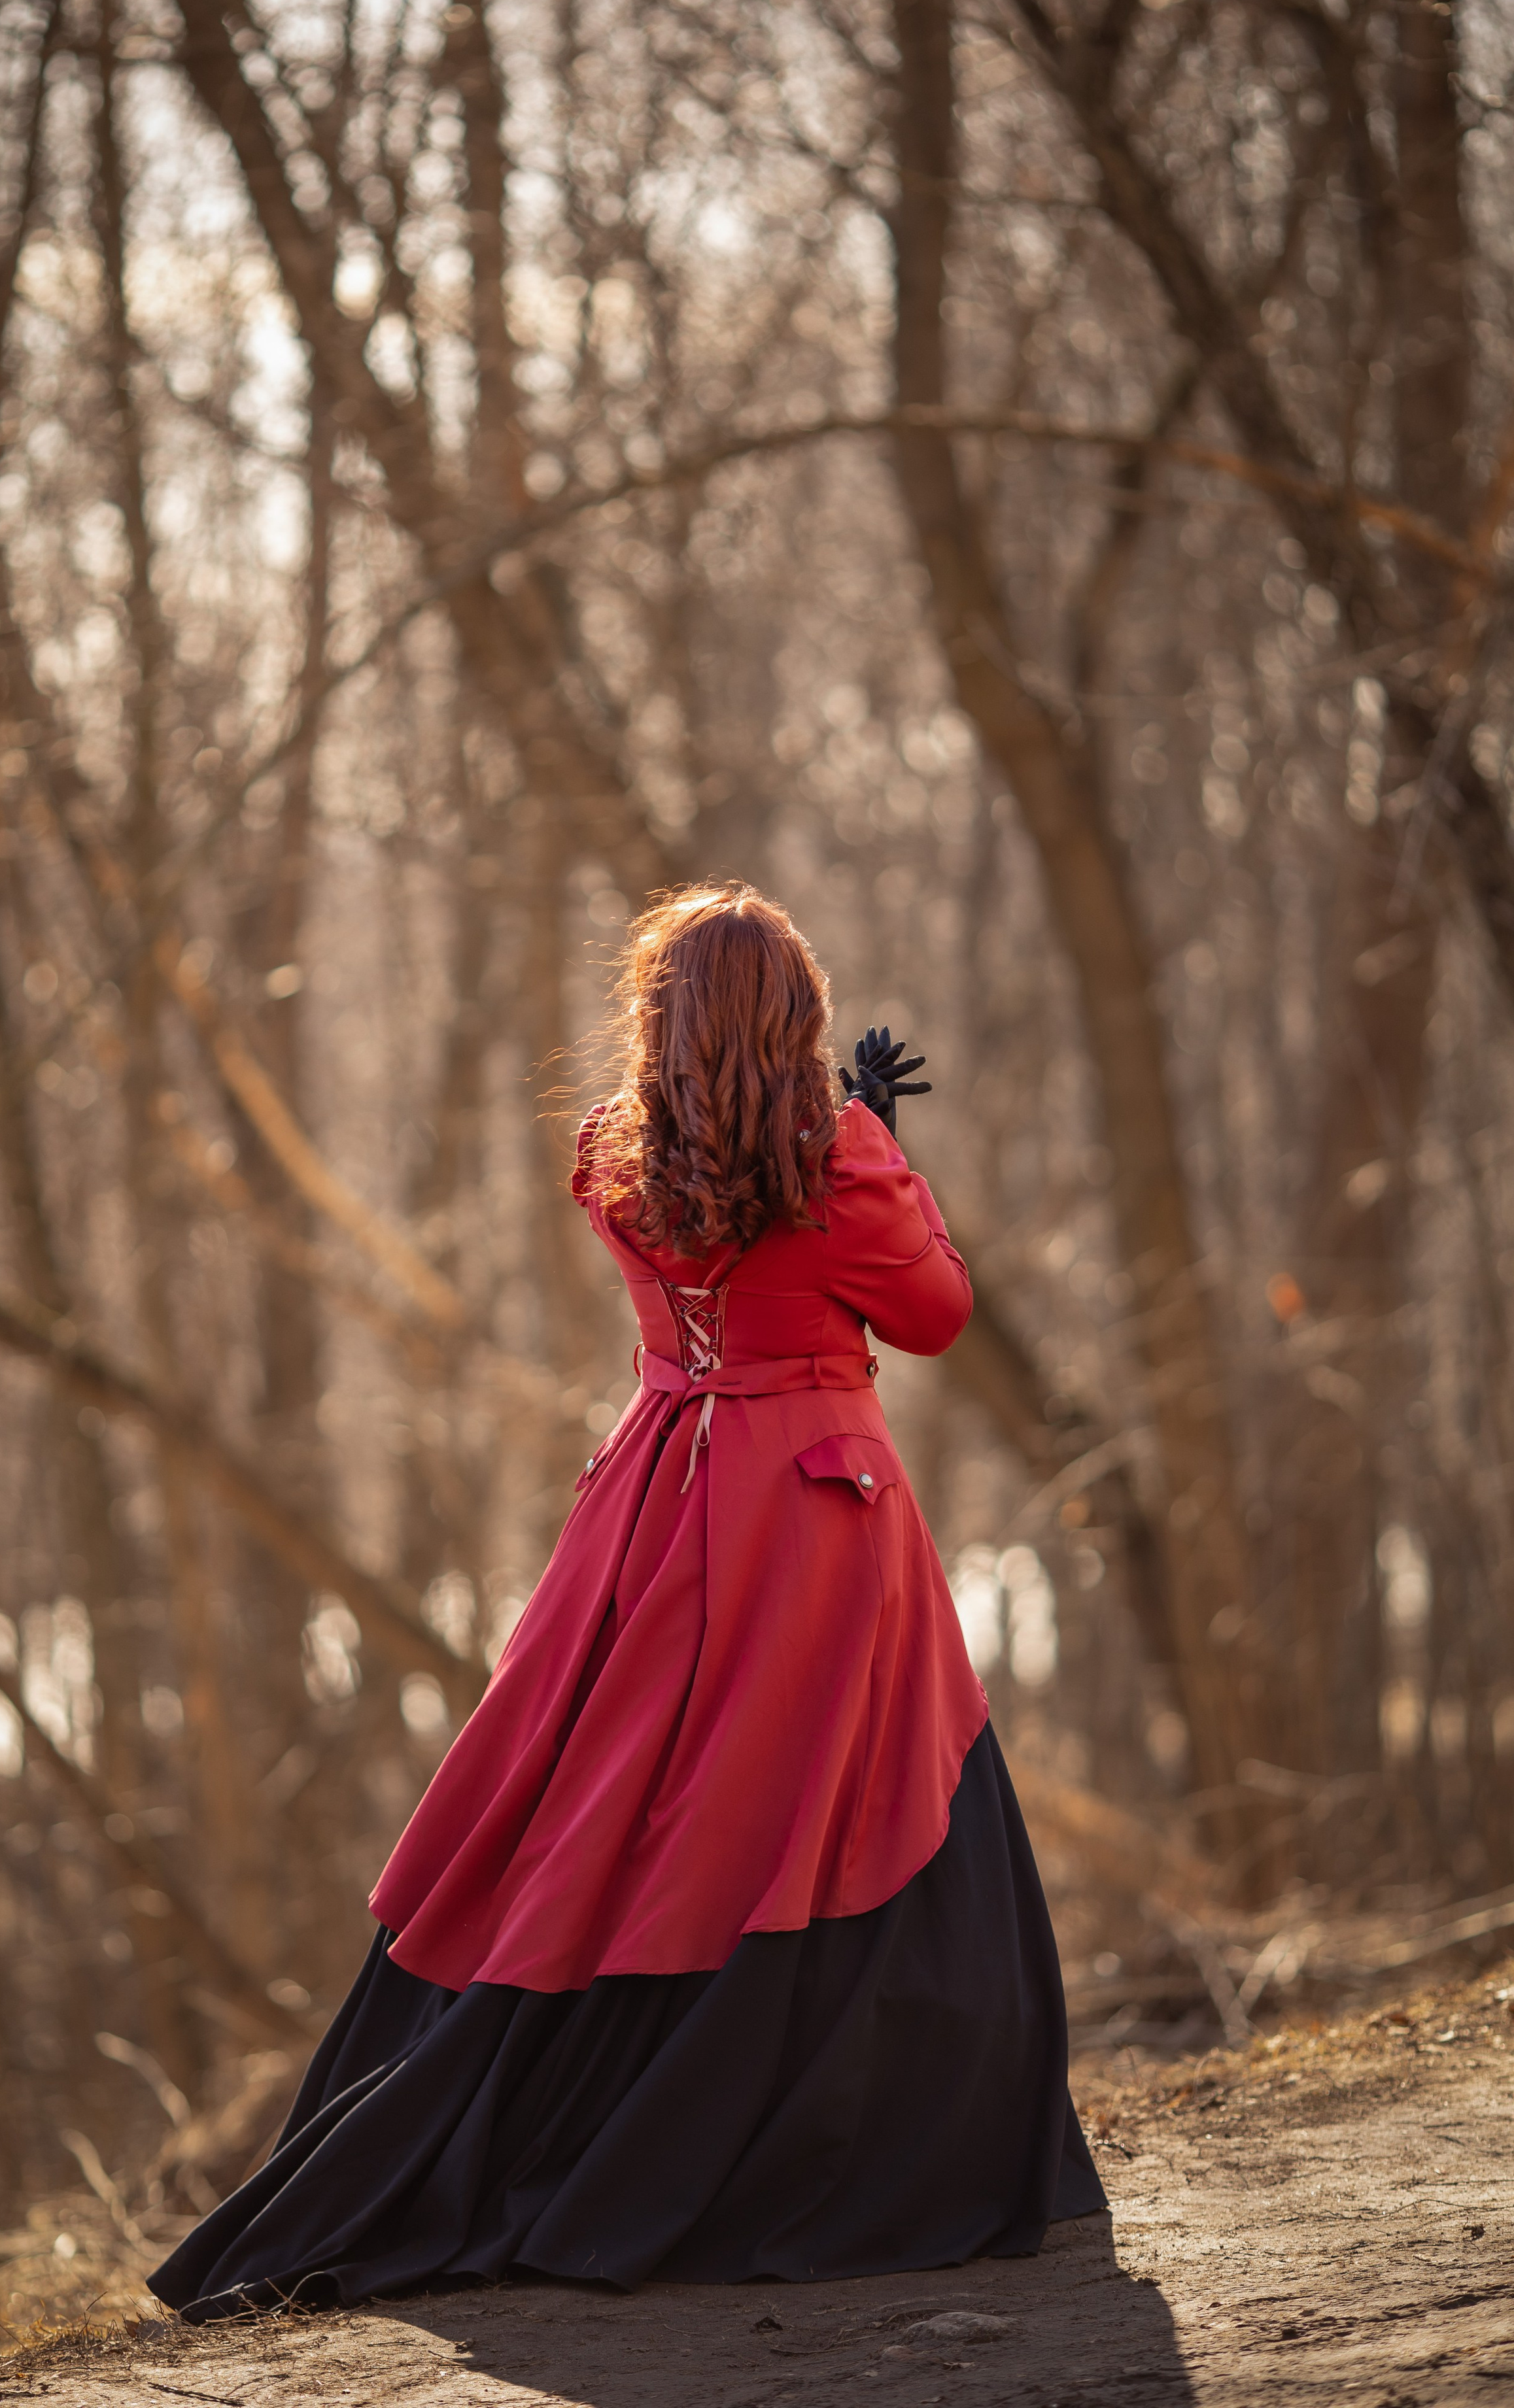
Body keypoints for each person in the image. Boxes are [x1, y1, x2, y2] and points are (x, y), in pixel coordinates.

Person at [150, 883, 1103, 2320]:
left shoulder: (610, 1151)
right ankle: (836, 2144)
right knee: (832, 1799)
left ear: (658, 1020)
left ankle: (556, 2116)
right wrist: (883, 1146)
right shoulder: (835, 1156)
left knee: (610, 1803)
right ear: (792, 1022)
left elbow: (714, 1256)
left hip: (658, 1493)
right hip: (814, 1511)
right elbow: (931, 1312)